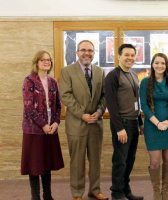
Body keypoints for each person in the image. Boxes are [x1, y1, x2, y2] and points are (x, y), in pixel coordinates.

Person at [59, 40, 108, 200]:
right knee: (77, 161)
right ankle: (77, 192)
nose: (87, 53)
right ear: (77, 52)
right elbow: (65, 95)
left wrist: (100, 111)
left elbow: (104, 96)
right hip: (76, 124)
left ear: (94, 53)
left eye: (90, 50)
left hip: (96, 124)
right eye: (83, 50)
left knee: (95, 161)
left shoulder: (100, 71)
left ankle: (95, 190)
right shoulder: (67, 71)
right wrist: (82, 114)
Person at [21, 50, 64, 200]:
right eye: (43, 60)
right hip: (34, 131)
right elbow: (29, 107)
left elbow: (59, 105)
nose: (47, 62)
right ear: (36, 63)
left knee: (46, 164)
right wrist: (43, 125)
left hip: (51, 130)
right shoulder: (29, 80)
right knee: (34, 166)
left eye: (49, 60)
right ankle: (35, 197)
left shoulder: (53, 82)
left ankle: (48, 196)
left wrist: (56, 123)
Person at [105, 44, 144, 200]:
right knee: (120, 160)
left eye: (132, 55)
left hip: (133, 122)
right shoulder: (113, 76)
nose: (130, 58)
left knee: (130, 159)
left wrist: (140, 122)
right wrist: (119, 128)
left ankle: (126, 190)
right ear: (119, 56)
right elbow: (111, 104)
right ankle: (116, 193)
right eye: (126, 55)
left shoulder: (133, 74)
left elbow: (136, 101)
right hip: (122, 124)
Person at [140, 53, 168, 200]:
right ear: (152, 65)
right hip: (152, 126)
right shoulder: (145, 82)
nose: (159, 66)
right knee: (155, 161)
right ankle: (156, 191)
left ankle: (165, 191)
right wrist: (157, 122)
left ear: (166, 65)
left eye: (162, 63)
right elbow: (144, 105)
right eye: (156, 63)